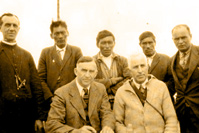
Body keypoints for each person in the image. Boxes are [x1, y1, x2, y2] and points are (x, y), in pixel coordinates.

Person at [0, 13, 45, 133]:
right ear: (1, 28)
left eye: (15, 25)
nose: (11, 28)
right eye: (7, 25)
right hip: (2, 116)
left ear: (18, 29)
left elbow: (37, 88)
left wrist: (39, 117)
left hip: (26, 117)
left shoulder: (27, 55)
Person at [45, 56, 115, 133]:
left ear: (96, 74)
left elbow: (107, 113)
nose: (87, 75)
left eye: (91, 71)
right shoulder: (61, 93)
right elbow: (52, 124)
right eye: (84, 71)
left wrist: (107, 127)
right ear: (76, 72)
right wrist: (76, 132)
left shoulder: (101, 89)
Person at [114, 53, 178, 133]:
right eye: (135, 67)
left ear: (147, 67)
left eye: (142, 66)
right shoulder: (121, 92)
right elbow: (117, 122)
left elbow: (171, 118)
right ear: (129, 71)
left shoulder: (161, 87)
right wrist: (125, 131)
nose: (140, 71)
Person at [37, 20, 83, 119]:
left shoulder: (76, 51)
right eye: (57, 33)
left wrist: (71, 96)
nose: (60, 36)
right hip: (51, 102)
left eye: (63, 32)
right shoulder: (45, 53)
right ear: (51, 36)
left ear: (68, 33)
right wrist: (51, 97)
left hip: (73, 100)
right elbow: (40, 79)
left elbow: (81, 75)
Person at [170, 24, 199, 132]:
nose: (180, 41)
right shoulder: (172, 61)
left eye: (183, 37)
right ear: (173, 40)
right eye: (177, 39)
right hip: (183, 113)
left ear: (190, 36)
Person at [93, 30, 130, 109]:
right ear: (97, 44)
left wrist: (111, 90)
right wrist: (111, 81)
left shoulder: (122, 60)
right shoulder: (92, 62)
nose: (107, 46)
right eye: (103, 42)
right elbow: (91, 81)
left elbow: (129, 78)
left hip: (121, 100)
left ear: (114, 43)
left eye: (110, 42)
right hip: (99, 102)